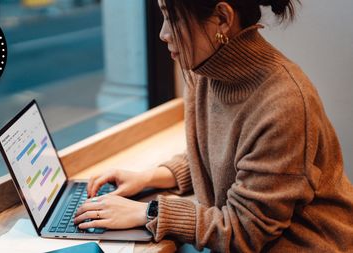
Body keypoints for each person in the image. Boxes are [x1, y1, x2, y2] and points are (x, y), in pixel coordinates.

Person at [73, 0, 353, 251]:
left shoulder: (284, 104)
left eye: (174, 19)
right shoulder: (203, 70)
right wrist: (150, 177)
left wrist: (147, 213)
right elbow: (220, 153)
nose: (163, 34)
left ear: (222, 17)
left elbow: (246, 231)